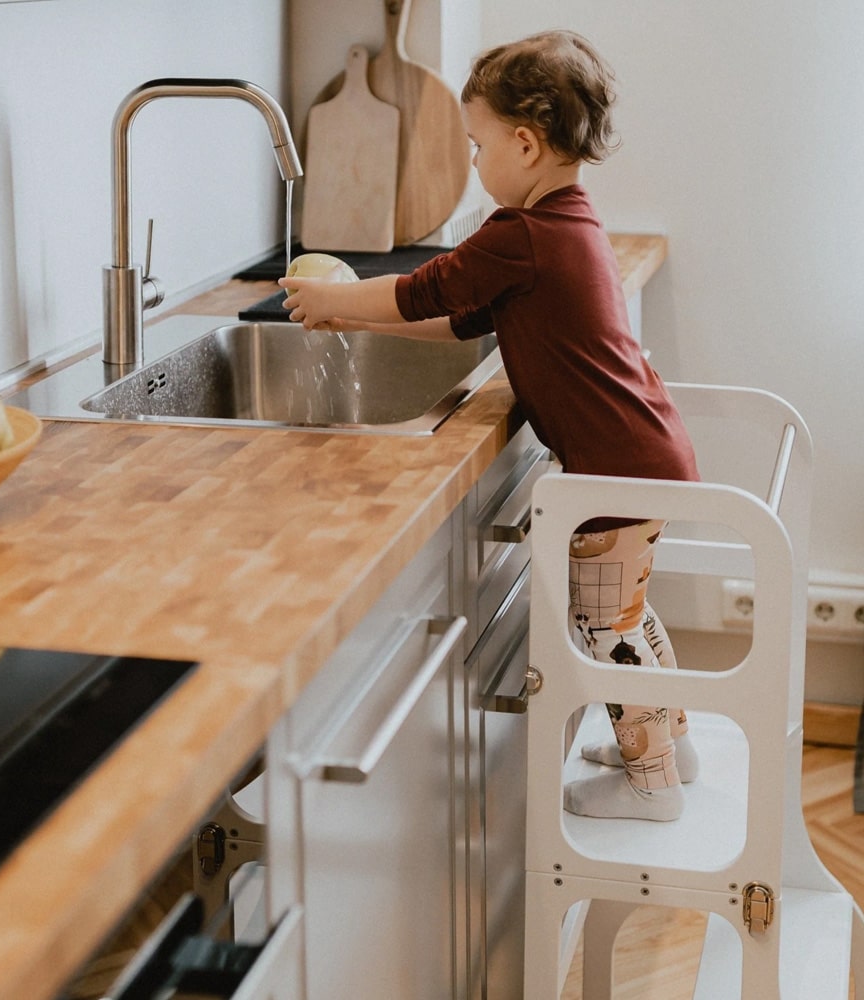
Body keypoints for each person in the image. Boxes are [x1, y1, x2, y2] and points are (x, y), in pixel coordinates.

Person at [279, 30, 699, 821]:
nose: (472, 162)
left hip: (618, 472)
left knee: (605, 623)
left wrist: (338, 299)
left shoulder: (522, 234)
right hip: (641, 453)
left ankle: (654, 787)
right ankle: (670, 741)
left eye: (476, 145)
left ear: (526, 142)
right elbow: (464, 317)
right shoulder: (564, 221)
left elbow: (424, 290)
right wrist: (359, 323)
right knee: (628, 616)